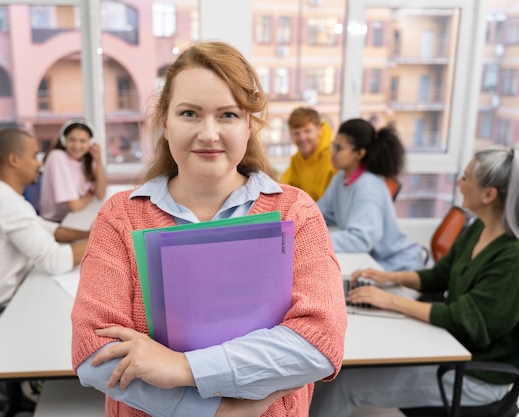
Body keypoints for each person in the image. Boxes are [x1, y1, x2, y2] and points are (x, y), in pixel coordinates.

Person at [71, 41, 347, 417]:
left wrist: (183, 369)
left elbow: (320, 341)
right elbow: (93, 350)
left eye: (228, 115)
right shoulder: (121, 216)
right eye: (190, 113)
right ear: (165, 124)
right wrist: (219, 411)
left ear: (250, 125)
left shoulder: (294, 212)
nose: (209, 133)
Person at [310, 143, 519, 417]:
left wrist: (390, 300)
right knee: (332, 372)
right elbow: (440, 276)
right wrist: (390, 277)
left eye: (465, 178)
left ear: (489, 194)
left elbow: (468, 321)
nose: (459, 184)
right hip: (452, 350)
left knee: (344, 385)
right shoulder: (479, 228)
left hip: (478, 376)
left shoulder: (516, 258)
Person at [0, 128, 90, 345]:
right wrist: (106, 238)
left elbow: (47, 228)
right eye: (33, 156)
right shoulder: (6, 205)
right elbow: (56, 261)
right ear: (14, 160)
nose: (39, 163)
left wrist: (90, 233)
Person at [317, 118, 423, 272]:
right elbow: (320, 214)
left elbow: (361, 239)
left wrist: (312, 240)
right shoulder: (340, 178)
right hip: (372, 263)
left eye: (338, 148)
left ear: (359, 153)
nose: (332, 153)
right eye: (333, 146)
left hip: (397, 268)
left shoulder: (368, 187)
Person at [39, 119, 107, 222]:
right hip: (57, 222)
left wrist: (98, 161)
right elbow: (74, 206)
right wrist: (89, 195)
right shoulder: (57, 157)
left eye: (82, 141)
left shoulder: (87, 159)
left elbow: (100, 194)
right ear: (63, 140)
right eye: (72, 140)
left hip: (77, 216)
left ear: (90, 143)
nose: (77, 146)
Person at [280, 107, 336, 201]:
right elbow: (286, 185)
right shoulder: (297, 160)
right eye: (297, 133)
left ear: (319, 130)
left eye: (307, 131)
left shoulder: (333, 158)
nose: (302, 138)